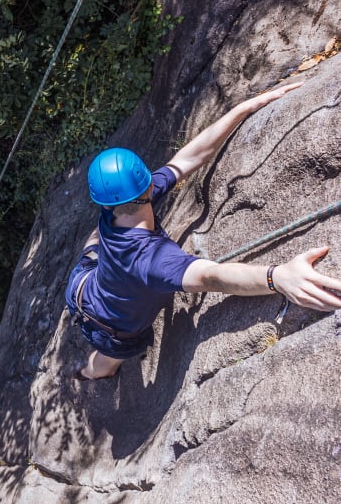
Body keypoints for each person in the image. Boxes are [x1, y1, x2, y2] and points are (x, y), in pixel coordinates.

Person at [66, 83, 341, 381]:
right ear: (146, 185)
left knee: (95, 242)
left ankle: (83, 365)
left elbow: (185, 160)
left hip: (85, 278)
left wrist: (243, 109)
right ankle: (85, 374)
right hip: (108, 323)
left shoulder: (112, 209)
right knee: (105, 363)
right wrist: (278, 277)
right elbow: (212, 276)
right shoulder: (155, 261)